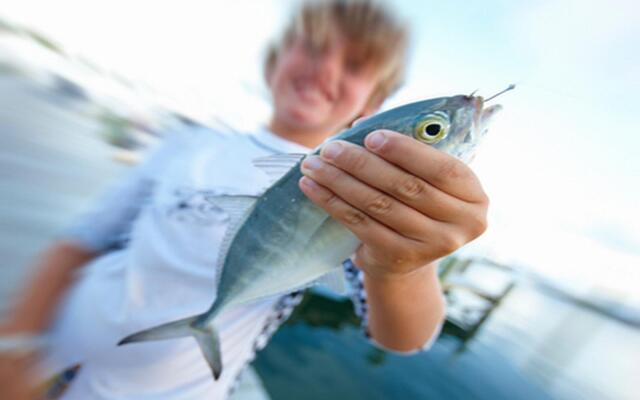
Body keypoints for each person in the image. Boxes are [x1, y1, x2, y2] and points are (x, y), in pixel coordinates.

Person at [0, 0, 489, 398]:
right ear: (275, 61)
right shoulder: (188, 144)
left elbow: (403, 337)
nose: (325, 68)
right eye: (313, 48)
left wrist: (403, 264)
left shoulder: (361, 190)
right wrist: (17, 341)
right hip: (46, 361)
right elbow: (81, 241)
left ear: (372, 107)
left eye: (355, 65)